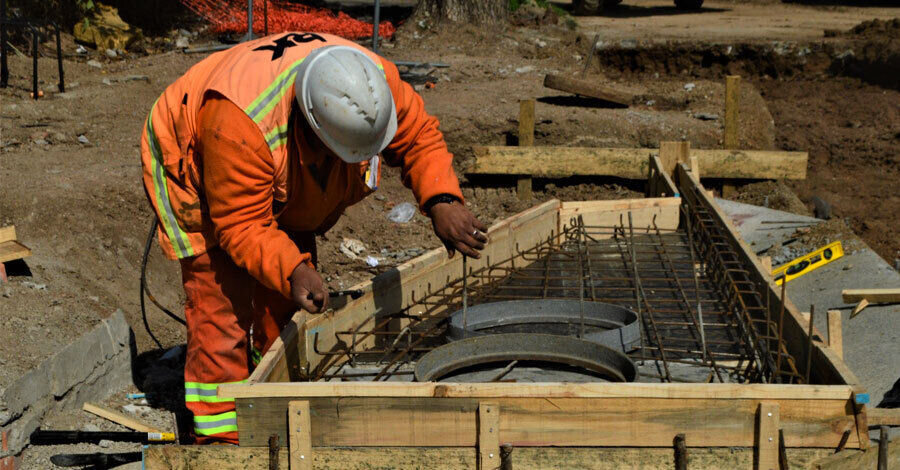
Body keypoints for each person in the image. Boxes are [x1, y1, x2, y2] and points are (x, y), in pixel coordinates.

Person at [140, 31, 487, 444]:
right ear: (313, 133)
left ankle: (272, 390)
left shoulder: (370, 83)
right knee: (221, 303)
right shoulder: (238, 124)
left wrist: (442, 199)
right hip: (193, 159)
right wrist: (293, 268)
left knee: (289, 300)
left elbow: (417, 136)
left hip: (271, 159)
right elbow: (242, 226)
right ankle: (221, 436)